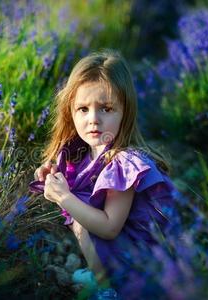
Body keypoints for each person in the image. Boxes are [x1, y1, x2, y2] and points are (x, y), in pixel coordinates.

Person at [29, 49, 177, 299]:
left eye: (106, 109)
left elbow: (109, 227)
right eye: (83, 109)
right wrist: (50, 174)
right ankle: (101, 274)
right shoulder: (83, 153)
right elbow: (76, 185)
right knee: (79, 206)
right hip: (122, 254)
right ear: (70, 111)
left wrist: (64, 197)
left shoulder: (124, 162)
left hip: (139, 263)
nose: (93, 119)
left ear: (125, 111)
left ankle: (108, 289)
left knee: (79, 209)